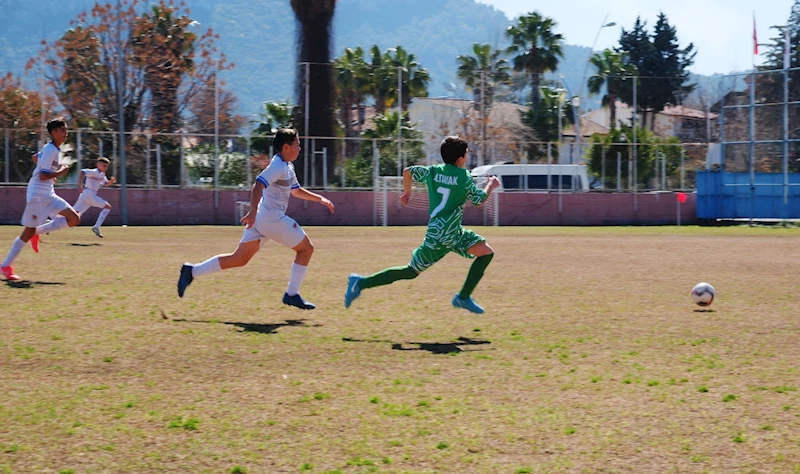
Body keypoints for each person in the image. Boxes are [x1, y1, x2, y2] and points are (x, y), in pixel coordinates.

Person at [177, 128, 335, 309]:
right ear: (286, 147)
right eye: (297, 145)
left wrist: (320, 199)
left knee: (239, 259)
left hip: (263, 218)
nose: (299, 148)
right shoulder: (277, 166)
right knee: (306, 249)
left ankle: (191, 271)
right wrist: (251, 211)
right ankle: (292, 294)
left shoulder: (287, 166)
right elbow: (258, 185)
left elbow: (296, 191)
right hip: (271, 219)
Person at [344, 136, 500, 314]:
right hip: (447, 235)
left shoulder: (433, 171)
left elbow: (407, 171)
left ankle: (463, 297)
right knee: (412, 271)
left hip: (445, 232)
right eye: (466, 155)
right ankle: (361, 282)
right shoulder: (464, 177)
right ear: (460, 159)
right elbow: (479, 201)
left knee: (485, 252)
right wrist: (491, 185)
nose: (467, 158)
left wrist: (407, 193)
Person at [1, 117, 80, 281]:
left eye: (66, 129)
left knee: (74, 218)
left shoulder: (50, 148)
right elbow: (43, 175)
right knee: (27, 231)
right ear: (54, 132)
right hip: (37, 194)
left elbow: (35, 157)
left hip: (48, 193)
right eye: (63, 130)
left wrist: (51, 174)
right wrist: (58, 173)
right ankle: (5, 265)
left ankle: (38, 232)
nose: (66, 133)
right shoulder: (51, 150)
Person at [34, 157, 116, 239]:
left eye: (106, 166)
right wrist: (79, 185)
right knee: (107, 207)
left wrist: (110, 182)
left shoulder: (102, 175)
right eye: (104, 165)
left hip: (86, 196)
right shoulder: (94, 172)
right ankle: (96, 227)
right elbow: (82, 172)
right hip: (89, 194)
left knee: (73, 216)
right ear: (98, 165)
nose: (106, 167)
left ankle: (48, 223)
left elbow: (104, 184)